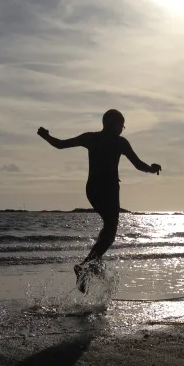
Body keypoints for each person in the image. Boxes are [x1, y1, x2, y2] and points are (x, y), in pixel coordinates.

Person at [38, 109, 161, 291]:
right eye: (121, 125)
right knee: (110, 230)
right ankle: (86, 265)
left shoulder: (91, 138)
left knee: (108, 228)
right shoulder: (119, 142)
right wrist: (152, 169)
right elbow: (138, 164)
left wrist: (46, 136)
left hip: (93, 189)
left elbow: (60, 145)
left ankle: (93, 261)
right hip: (109, 189)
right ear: (113, 124)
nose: (122, 129)